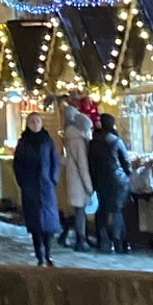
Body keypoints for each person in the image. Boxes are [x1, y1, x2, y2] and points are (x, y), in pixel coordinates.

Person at [13, 110, 61, 266]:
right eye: (32, 122)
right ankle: (39, 255)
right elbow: (18, 165)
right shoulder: (23, 143)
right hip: (31, 187)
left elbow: (55, 161)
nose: (35, 124)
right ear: (27, 124)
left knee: (49, 223)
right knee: (35, 224)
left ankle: (48, 253)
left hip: (46, 186)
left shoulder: (48, 141)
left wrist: (53, 179)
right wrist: (23, 183)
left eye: (37, 121)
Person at [87, 110, 132, 252]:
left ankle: (103, 240)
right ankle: (119, 242)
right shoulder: (116, 141)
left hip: (100, 180)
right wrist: (127, 175)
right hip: (118, 181)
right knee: (117, 210)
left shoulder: (93, 143)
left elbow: (91, 163)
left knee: (103, 209)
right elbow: (126, 163)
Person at [57, 98, 95, 248]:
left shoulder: (68, 137)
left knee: (74, 211)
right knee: (79, 211)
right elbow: (83, 166)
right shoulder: (79, 141)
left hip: (71, 179)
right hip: (79, 181)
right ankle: (81, 239)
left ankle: (68, 235)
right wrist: (89, 187)